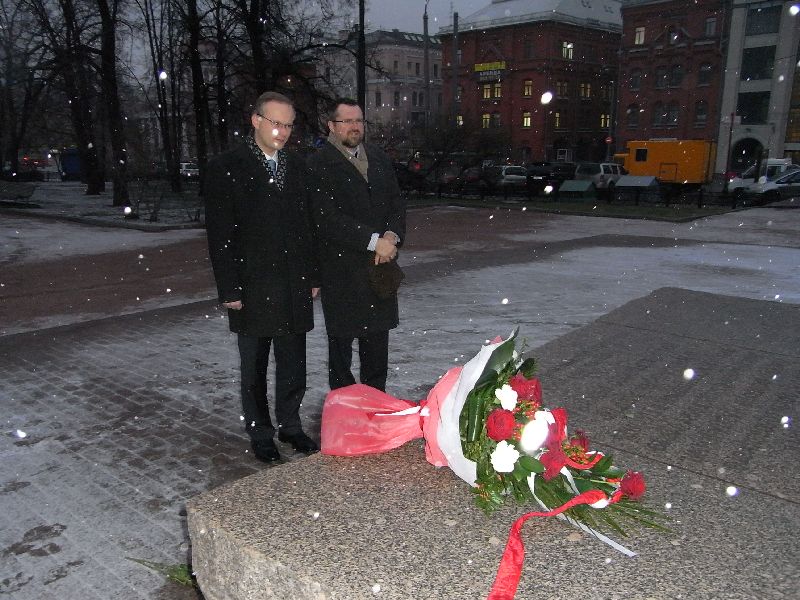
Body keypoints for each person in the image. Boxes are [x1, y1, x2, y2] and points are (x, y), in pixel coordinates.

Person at [205, 91, 320, 462]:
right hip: (252, 285)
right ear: (256, 121)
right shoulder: (228, 166)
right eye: (276, 123)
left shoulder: (299, 166)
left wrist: (314, 274)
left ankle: (290, 425)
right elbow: (220, 234)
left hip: (293, 283)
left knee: (293, 363)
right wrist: (230, 287)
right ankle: (261, 432)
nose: (283, 131)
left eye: (288, 124)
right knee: (253, 367)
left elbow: (309, 226)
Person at [306, 98, 406, 392]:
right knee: (341, 361)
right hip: (342, 274)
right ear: (332, 127)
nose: (354, 127)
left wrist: (391, 235)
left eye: (359, 121)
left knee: (377, 354)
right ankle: (346, 419)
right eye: (346, 121)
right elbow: (327, 219)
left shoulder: (378, 158)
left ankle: (375, 414)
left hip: (379, 272)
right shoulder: (318, 164)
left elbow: (396, 203)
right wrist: (374, 241)